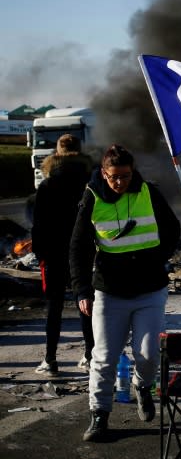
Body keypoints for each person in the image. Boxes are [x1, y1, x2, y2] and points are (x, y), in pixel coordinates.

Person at [70, 144, 180, 442]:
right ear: (104, 173)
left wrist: (157, 259)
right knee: (104, 357)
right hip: (110, 291)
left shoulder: (148, 192)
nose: (121, 182)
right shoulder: (91, 198)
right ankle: (99, 417)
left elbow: (172, 229)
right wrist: (82, 289)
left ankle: (143, 386)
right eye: (115, 177)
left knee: (147, 354)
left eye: (127, 176)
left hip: (150, 290)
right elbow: (78, 247)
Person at [32, 134, 95, 376]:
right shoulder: (90, 182)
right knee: (85, 304)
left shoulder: (48, 185)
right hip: (83, 252)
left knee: (54, 307)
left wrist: (41, 254)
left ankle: (50, 360)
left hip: (54, 253)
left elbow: (38, 225)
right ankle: (89, 355)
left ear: (56, 154)